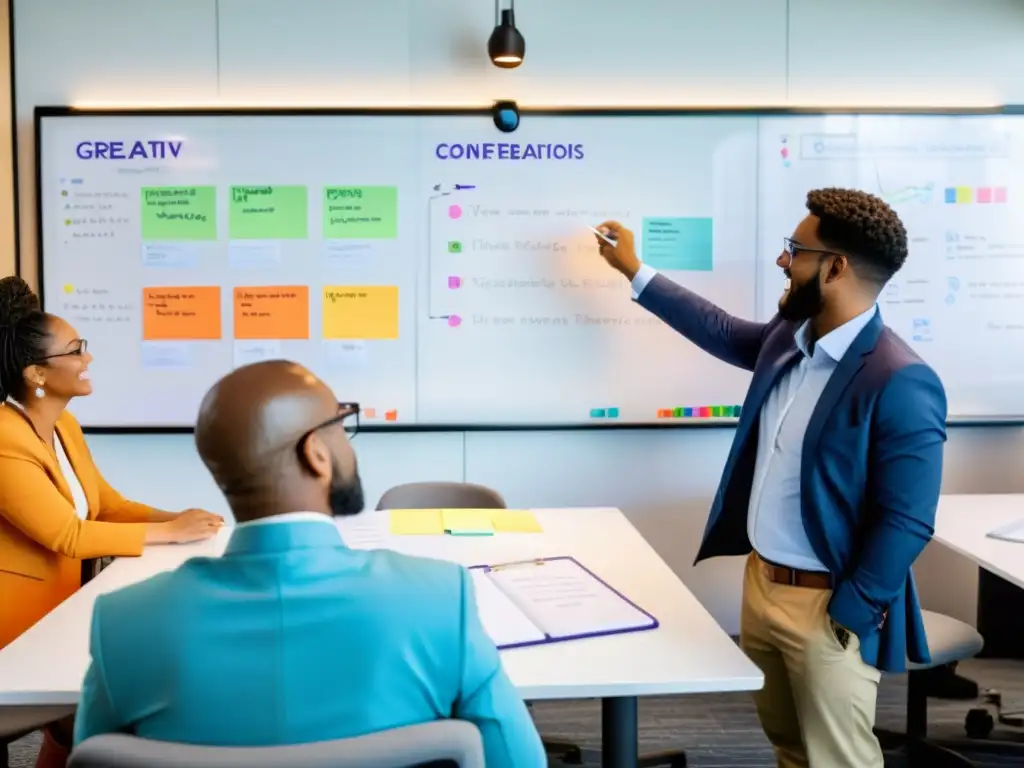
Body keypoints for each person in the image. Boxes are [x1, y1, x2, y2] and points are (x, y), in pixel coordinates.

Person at [594, 188, 946, 768]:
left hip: (828, 609)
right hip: (762, 587)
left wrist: (851, 614)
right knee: (789, 749)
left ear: (834, 268)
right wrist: (634, 270)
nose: (783, 261)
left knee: (839, 760)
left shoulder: (899, 378)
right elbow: (723, 330)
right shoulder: (790, 339)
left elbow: (907, 519)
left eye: (795, 250)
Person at [73, 360, 546, 767]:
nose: (348, 443)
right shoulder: (441, 599)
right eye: (342, 425)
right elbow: (519, 761)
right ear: (316, 454)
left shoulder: (122, 625)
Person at [0, 275, 223, 767]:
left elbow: (105, 505)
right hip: (14, 628)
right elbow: (68, 533)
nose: (88, 357)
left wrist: (183, 520)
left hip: (60, 611)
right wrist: (168, 533)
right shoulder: (4, 439)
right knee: (96, 707)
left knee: (86, 714)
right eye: (76, 349)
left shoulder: (63, 425)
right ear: (37, 374)